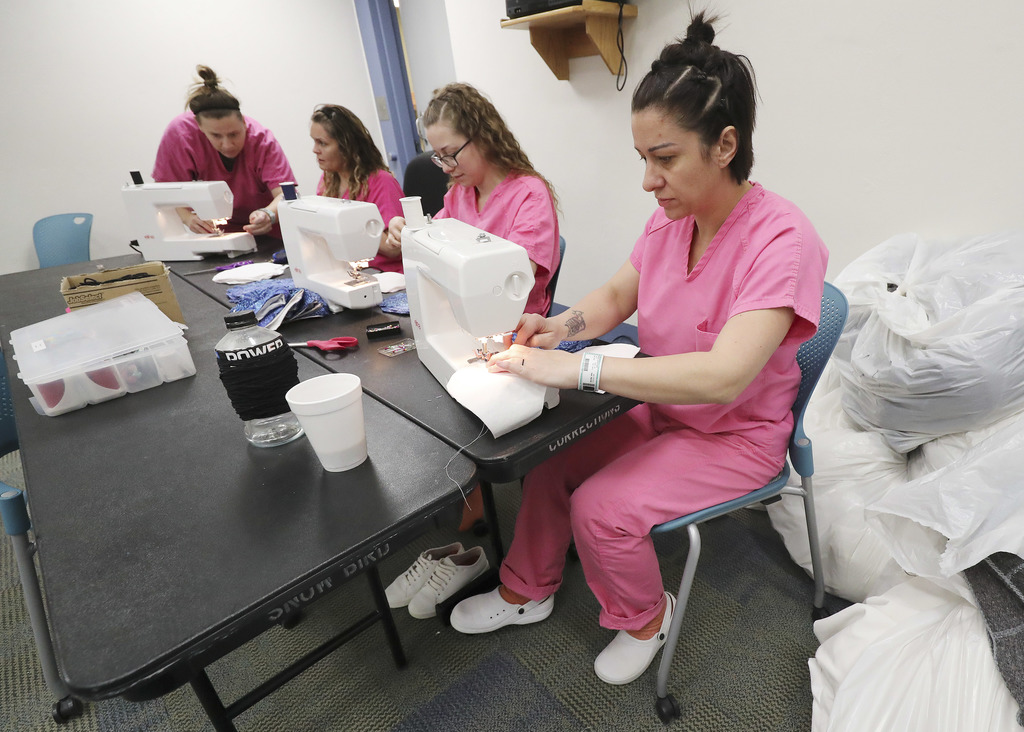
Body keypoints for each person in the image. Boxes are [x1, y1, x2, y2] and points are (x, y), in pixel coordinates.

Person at [448, 12, 829, 687]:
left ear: (724, 145)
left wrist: (582, 365)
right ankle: (525, 589)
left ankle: (646, 617)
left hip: (733, 437)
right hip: (663, 407)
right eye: (642, 160)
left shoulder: (781, 239)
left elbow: (724, 377)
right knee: (549, 462)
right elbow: (618, 296)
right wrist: (559, 326)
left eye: (665, 158)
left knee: (602, 508)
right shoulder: (669, 220)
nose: (648, 181)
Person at [386, 82, 561, 317]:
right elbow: (431, 243)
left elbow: (510, 285)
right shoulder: (460, 194)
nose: (446, 169)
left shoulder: (529, 196)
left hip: (513, 322)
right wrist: (407, 231)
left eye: (450, 155)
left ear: (483, 138)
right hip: (462, 313)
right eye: (439, 158)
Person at [153, 65, 296, 238]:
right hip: (216, 234)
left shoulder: (261, 140)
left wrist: (268, 215)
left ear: (243, 122)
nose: (227, 144)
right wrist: (188, 218)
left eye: (234, 134)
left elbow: (287, 195)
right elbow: (165, 191)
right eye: (216, 136)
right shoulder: (180, 134)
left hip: (267, 230)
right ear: (200, 128)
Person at [310, 104, 406, 272]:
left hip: (384, 275)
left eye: (322, 143)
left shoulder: (381, 182)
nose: (315, 150)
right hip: (348, 269)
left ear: (346, 146)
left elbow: (394, 249)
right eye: (314, 142)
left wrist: (350, 224)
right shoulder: (328, 180)